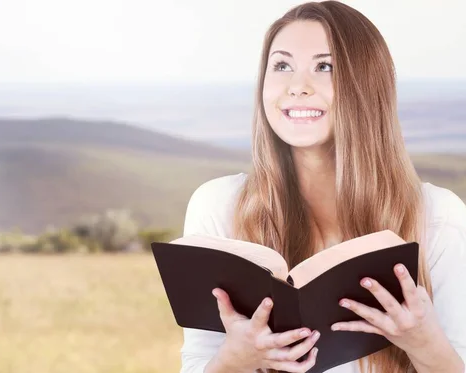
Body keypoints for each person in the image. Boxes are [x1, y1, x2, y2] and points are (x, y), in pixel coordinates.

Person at [178, 1, 466, 373]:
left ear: (366, 84)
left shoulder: (439, 218)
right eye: (281, 66)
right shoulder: (217, 206)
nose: (297, 87)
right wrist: (236, 359)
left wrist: (424, 343)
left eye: (324, 66)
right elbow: (197, 361)